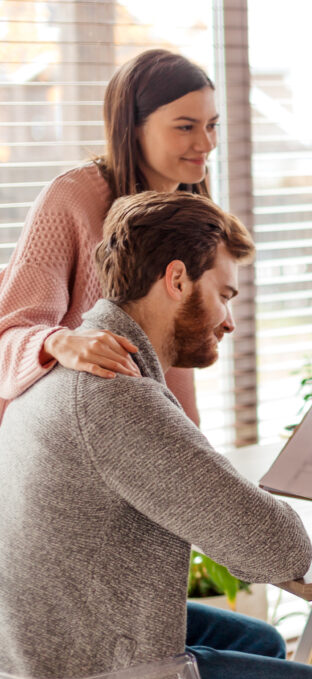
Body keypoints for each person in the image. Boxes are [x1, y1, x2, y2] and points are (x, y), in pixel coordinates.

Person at [0, 192, 312, 679]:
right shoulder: (116, 395)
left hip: (32, 638)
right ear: (177, 279)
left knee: (259, 642)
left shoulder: (65, 361)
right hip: (78, 670)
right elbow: (279, 551)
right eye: (224, 295)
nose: (230, 321)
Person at [0, 48, 220, 426]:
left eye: (212, 125)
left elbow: (170, 352)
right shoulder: (71, 198)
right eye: (185, 127)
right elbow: (9, 334)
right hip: (61, 432)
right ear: (133, 126)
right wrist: (60, 342)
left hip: (139, 425)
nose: (206, 143)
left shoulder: (193, 205)